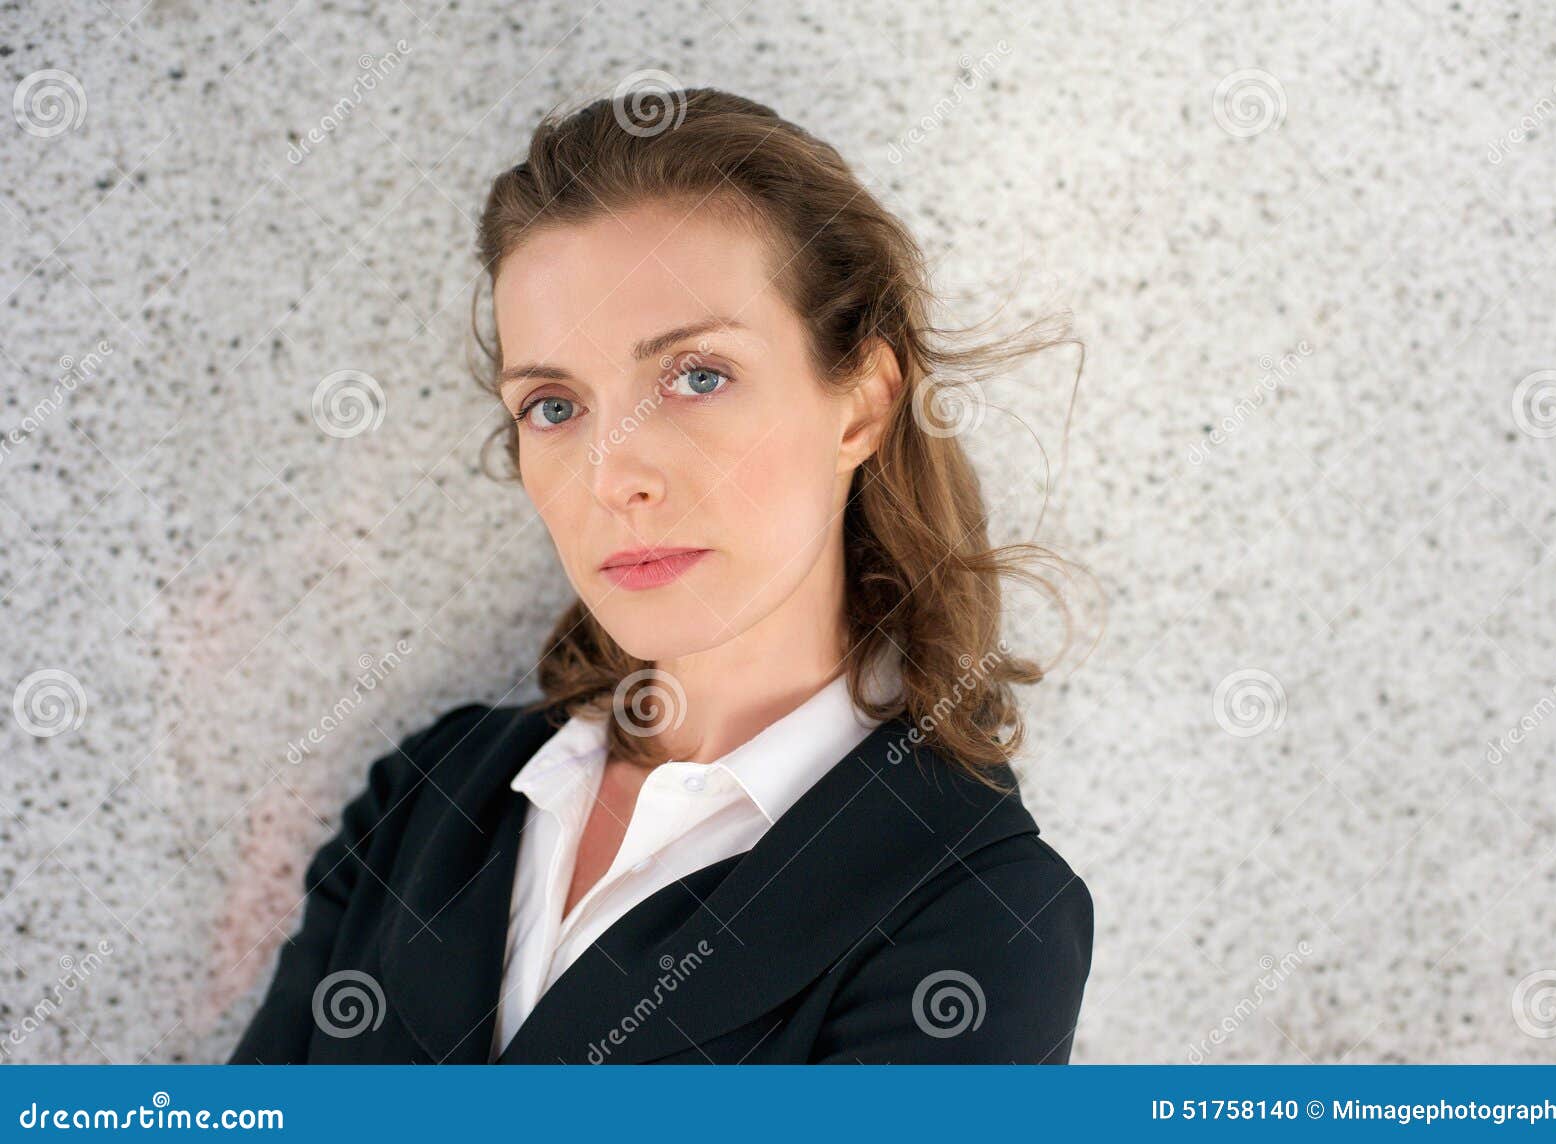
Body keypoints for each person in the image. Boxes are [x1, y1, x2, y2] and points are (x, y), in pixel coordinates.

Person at [229, 86, 1092, 1064]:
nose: (614, 477)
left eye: (696, 377)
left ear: (860, 405)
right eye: (553, 405)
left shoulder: (977, 918)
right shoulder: (430, 799)